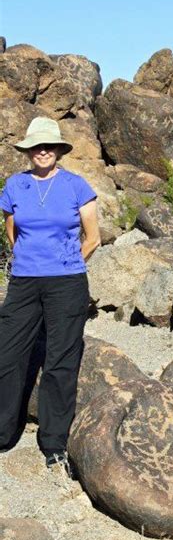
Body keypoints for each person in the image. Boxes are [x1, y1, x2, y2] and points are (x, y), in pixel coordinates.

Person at [0, 116, 101, 469]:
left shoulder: (77, 186)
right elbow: (13, 232)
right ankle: (2, 433)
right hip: (25, 282)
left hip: (67, 283)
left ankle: (53, 442)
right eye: (36, 146)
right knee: (8, 355)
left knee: (60, 360)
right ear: (28, 150)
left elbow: (93, 238)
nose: (42, 151)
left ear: (58, 149)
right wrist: (32, 261)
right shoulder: (15, 186)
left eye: (48, 146)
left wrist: (65, 261)